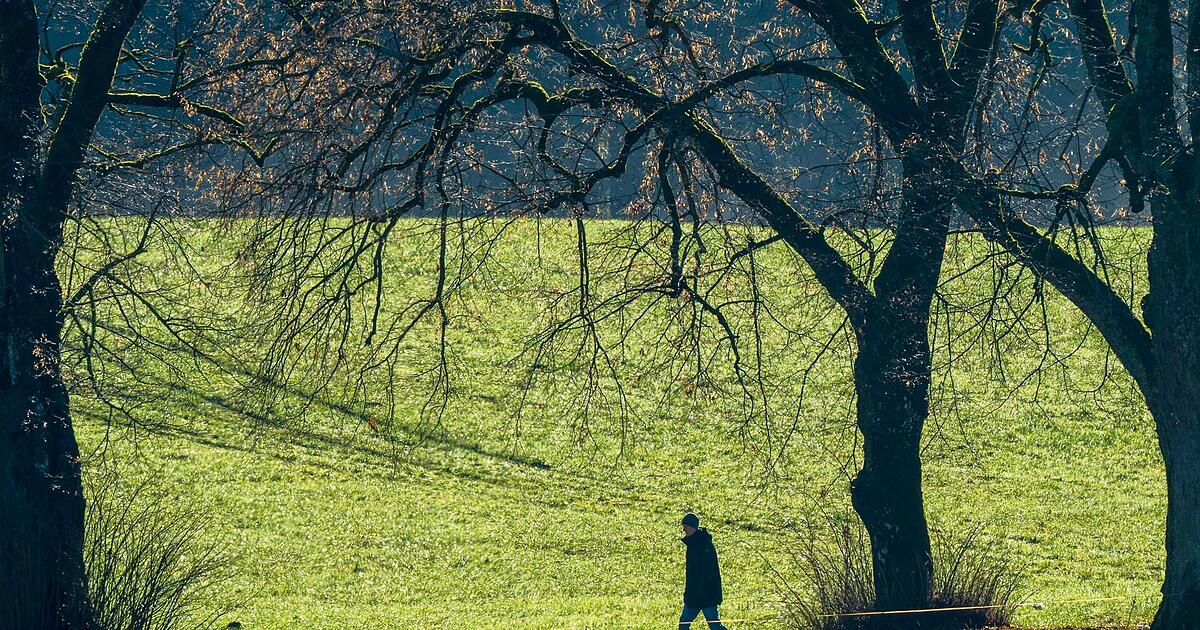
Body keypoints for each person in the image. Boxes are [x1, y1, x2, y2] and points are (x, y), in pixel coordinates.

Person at [679, 512, 727, 629]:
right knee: (683, 623)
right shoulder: (692, 544)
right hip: (694, 595)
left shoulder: (704, 545)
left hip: (706, 595)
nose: (684, 529)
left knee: (715, 626)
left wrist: (700, 592)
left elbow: (708, 572)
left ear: (692, 527)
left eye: (685, 526)